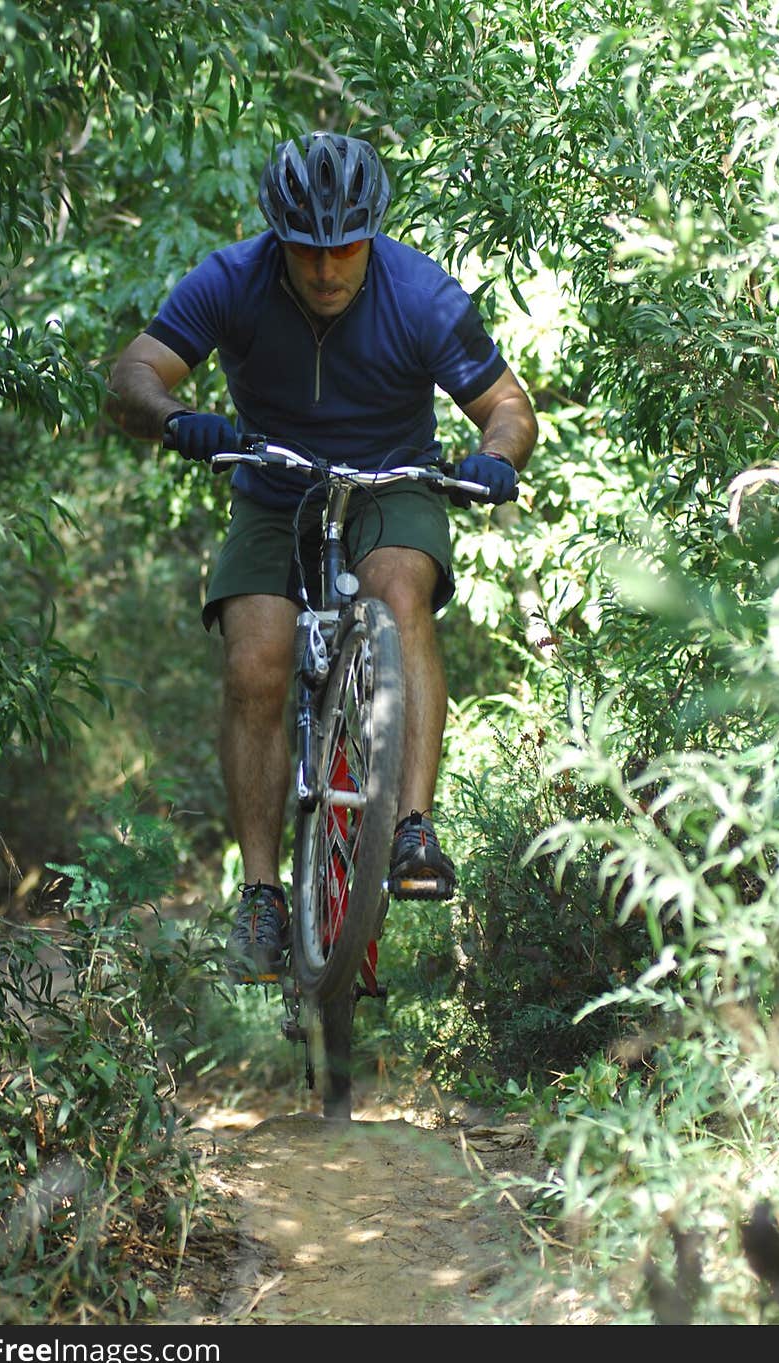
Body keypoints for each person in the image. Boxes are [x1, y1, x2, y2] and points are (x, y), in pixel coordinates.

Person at [107, 131, 538, 983]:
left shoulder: (421, 294)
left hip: (392, 485)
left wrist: (497, 455)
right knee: (257, 659)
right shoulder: (231, 279)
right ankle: (263, 895)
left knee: (400, 593)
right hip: (274, 488)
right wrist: (172, 417)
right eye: (308, 252)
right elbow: (132, 375)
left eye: (345, 247)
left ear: (372, 232)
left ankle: (411, 825)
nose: (328, 269)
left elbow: (509, 407)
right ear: (281, 240)